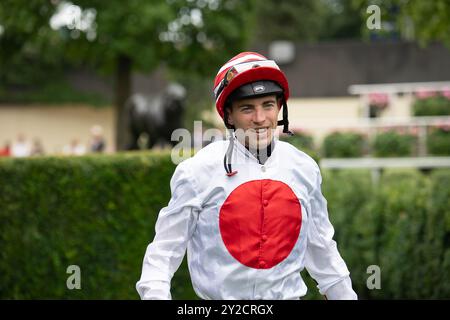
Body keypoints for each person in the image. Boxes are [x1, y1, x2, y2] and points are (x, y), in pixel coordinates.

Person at [136, 52, 357, 300]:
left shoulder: (304, 168)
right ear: (229, 115)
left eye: (268, 105)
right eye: (247, 108)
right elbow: (163, 255)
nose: (260, 118)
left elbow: (323, 252)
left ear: (280, 108)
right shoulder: (197, 171)